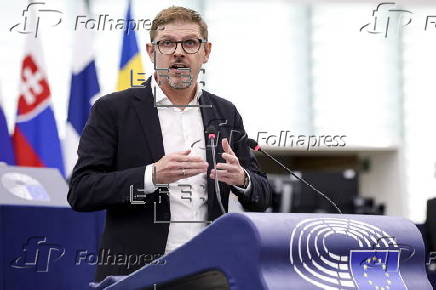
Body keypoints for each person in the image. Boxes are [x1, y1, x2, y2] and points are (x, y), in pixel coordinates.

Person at [67, 6, 272, 281]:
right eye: (167, 43)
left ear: (206, 52)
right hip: (136, 272)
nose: (178, 52)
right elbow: (81, 191)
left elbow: (263, 195)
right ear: (152, 53)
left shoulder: (225, 112)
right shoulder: (113, 110)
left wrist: (242, 179)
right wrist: (151, 175)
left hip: (209, 269)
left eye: (189, 43)